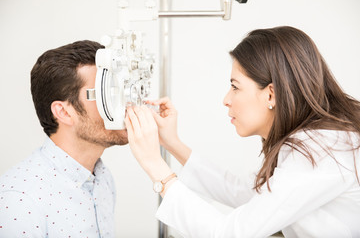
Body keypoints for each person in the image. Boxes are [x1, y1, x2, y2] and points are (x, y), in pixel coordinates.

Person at [124, 26, 360, 237]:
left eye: (235, 87)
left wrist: (155, 166)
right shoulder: (315, 141)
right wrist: (172, 143)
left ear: (271, 94)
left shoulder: (321, 149)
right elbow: (246, 193)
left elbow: (230, 233)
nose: (226, 100)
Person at [0, 40, 128, 237]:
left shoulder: (103, 178)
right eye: (104, 94)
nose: (120, 105)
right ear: (64, 112)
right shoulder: (20, 200)